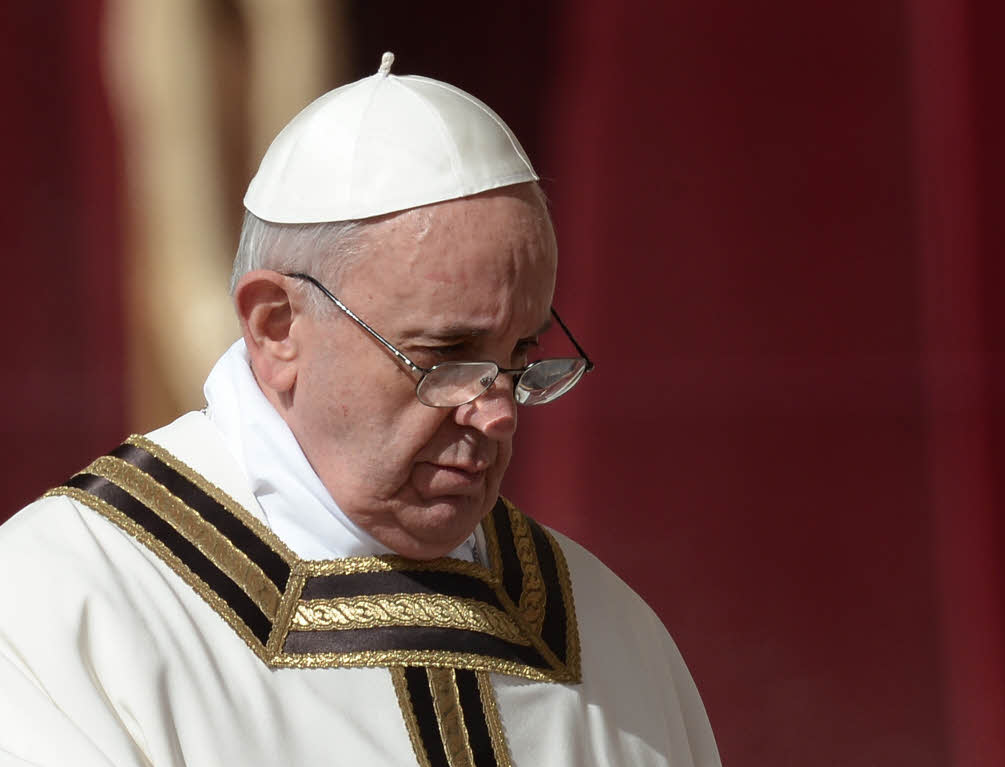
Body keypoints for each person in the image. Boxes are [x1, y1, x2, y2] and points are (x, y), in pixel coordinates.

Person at [0, 53, 720, 766]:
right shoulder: (61, 612)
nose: (497, 415)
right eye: (446, 356)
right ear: (276, 326)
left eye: (520, 359)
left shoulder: (611, 639)